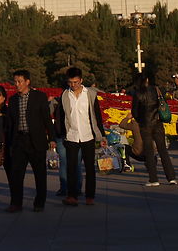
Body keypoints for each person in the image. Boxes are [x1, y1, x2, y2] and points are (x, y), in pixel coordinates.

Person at [6, 69, 56, 212]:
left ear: (27, 82)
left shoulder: (39, 97)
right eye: (15, 81)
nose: (17, 84)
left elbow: (47, 119)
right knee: (16, 174)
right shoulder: (13, 100)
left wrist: (51, 138)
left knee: (39, 174)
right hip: (19, 141)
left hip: (36, 141)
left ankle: (39, 203)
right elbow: (10, 123)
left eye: (20, 81)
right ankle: (16, 203)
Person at [56, 67, 105, 206]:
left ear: (81, 80)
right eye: (70, 82)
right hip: (71, 136)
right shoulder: (65, 95)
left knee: (89, 167)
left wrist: (102, 135)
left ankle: (90, 196)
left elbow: (97, 115)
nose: (73, 85)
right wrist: (59, 134)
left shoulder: (89, 94)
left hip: (88, 135)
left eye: (76, 82)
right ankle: (72, 196)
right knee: (71, 167)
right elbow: (61, 116)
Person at [131, 70, 176, 186]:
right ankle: (171, 177)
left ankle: (154, 179)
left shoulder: (137, 93)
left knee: (149, 152)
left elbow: (134, 112)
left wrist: (140, 120)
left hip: (145, 126)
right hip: (158, 124)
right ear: (147, 80)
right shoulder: (156, 90)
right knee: (163, 151)